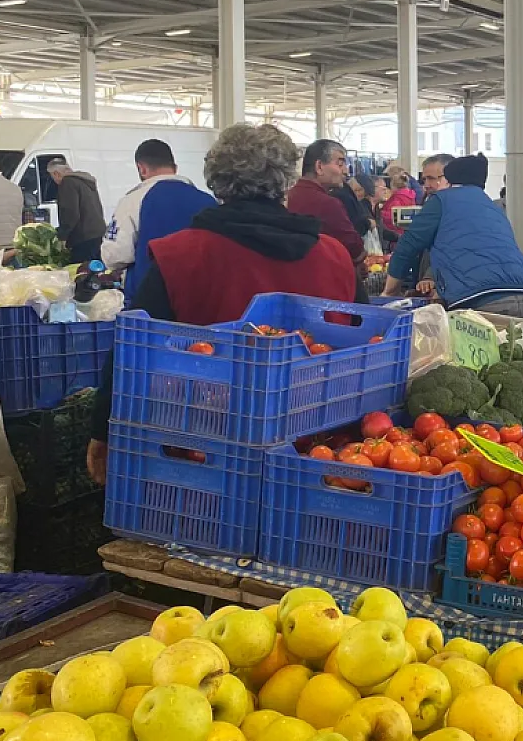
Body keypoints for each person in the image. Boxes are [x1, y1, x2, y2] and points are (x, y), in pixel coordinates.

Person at [87, 124, 365, 485]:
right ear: (286, 181)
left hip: (204, 453)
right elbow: (363, 344)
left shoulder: (180, 255)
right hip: (317, 452)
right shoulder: (334, 255)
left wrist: (101, 430)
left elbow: (132, 349)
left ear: (216, 179)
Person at [383, 154, 523, 318]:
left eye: (434, 179)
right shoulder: (490, 205)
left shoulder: (442, 200)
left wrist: (389, 292)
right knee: (520, 343)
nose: (427, 185)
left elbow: (407, 246)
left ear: (447, 180)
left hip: (480, 299)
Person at [103, 140, 217, 307]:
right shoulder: (208, 201)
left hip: (149, 304)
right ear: (175, 168)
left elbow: (115, 256)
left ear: (141, 168)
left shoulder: (132, 201)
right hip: (202, 301)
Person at [288, 140, 365, 264]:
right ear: (319, 167)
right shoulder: (327, 204)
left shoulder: (287, 197)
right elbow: (354, 248)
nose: (345, 171)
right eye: (340, 164)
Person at [46, 158, 105, 264]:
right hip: (97, 235)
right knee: (95, 272)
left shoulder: (67, 183)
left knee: (81, 273)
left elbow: (70, 213)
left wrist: (62, 236)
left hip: (82, 238)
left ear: (56, 173)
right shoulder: (84, 182)